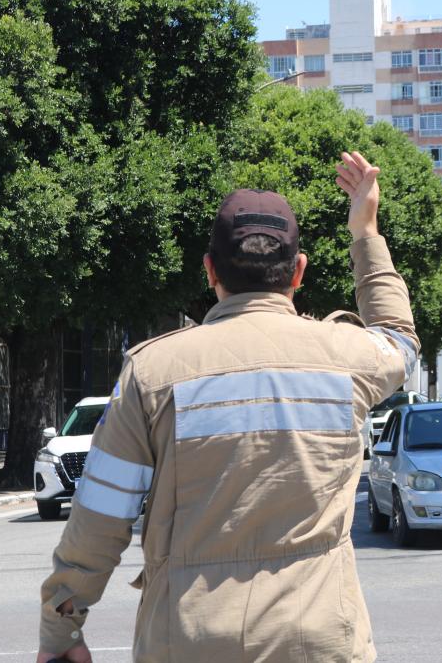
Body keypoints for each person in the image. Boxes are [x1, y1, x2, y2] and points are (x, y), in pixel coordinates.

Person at [36, 152, 418, 662]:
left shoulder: (153, 371)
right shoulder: (348, 358)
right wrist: (365, 232)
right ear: (298, 271)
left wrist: (62, 629)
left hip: (186, 641)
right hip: (321, 641)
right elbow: (400, 340)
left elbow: (101, 515)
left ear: (210, 269)